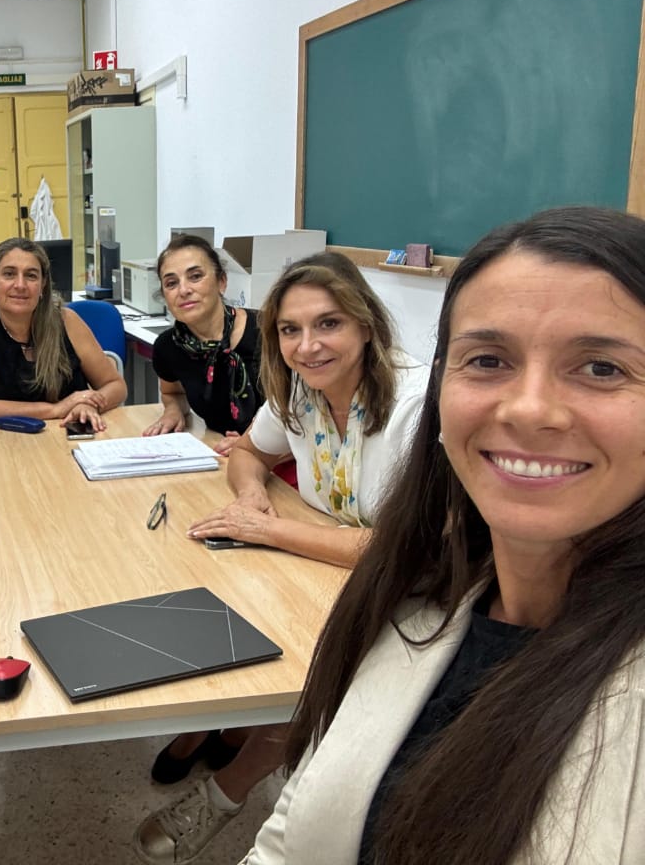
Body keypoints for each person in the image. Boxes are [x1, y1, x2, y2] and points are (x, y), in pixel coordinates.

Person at [241, 206, 645, 864]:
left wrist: (267, 528)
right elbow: (293, 833)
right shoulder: (407, 600)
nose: (529, 409)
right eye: (487, 359)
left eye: (601, 368)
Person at [135, 251, 430, 865]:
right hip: (328, 570)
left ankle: (224, 794)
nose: (307, 345)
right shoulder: (301, 390)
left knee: (318, 673)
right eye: (290, 330)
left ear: (366, 324)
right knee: (231, 594)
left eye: (328, 324)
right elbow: (248, 453)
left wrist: (270, 531)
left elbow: (408, 550)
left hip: (416, 591)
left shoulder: (417, 404)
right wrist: (250, 497)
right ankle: (221, 725)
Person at [0, 237, 126, 427]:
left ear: (43, 285)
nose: (20, 285)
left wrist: (89, 405)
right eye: (9, 274)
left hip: (69, 436)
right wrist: (56, 409)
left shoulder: (67, 320)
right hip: (6, 440)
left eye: (31, 276)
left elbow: (116, 385)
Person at [142, 234, 262, 453]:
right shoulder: (169, 347)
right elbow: (172, 393)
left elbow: (303, 411)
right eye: (171, 283)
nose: (184, 290)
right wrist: (173, 411)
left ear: (222, 282)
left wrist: (255, 444)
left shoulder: (268, 332)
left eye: (195, 276)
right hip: (219, 453)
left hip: (285, 457)